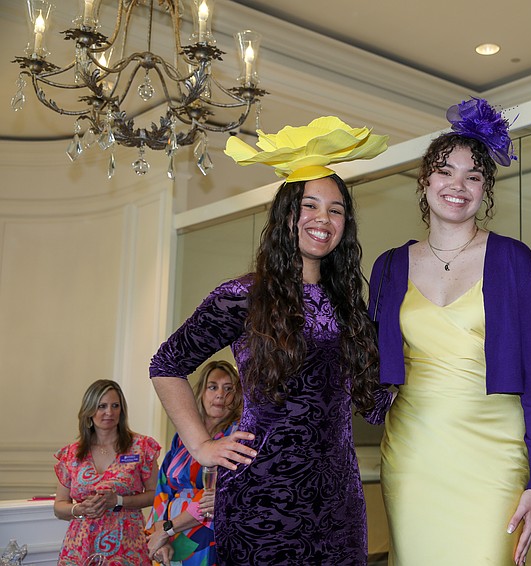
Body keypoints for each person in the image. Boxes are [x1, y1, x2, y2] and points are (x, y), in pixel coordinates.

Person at [149, 117, 394, 565]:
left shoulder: (350, 308)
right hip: (262, 497)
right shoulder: (243, 295)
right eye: (310, 205)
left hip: (338, 499)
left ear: (346, 225)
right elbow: (166, 365)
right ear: (286, 216)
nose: (323, 218)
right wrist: (203, 445)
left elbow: (375, 403)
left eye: (336, 209)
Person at [369, 97, 531, 566]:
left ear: (484, 189)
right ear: (425, 181)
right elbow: (366, 361)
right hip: (413, 452)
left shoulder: (515, 261)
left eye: (473, 176)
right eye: (445, 171)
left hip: (495, 452)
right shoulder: (389, 266)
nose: (458, 185)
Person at [53, 379, 161, 566]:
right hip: (80, 547)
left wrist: (119, 501)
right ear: (89, 411)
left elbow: (156, 495)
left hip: (127, 545)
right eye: (102, 406)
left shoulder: (142, 447)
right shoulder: (71, 453)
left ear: (122, 410)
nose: (109, 412)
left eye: (115, 406)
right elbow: (59, 506)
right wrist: (79, 509)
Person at [146, 360, 243, 566]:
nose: (220, 395)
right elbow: (163, 488)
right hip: (168, 537)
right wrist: (158, 532)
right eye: (213, 387)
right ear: (201, 392)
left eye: (229, 389)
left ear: (237, 397)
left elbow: (214, 497)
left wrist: (168, 529)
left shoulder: (235, 436)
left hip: (206, 536)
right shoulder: (183, 437)